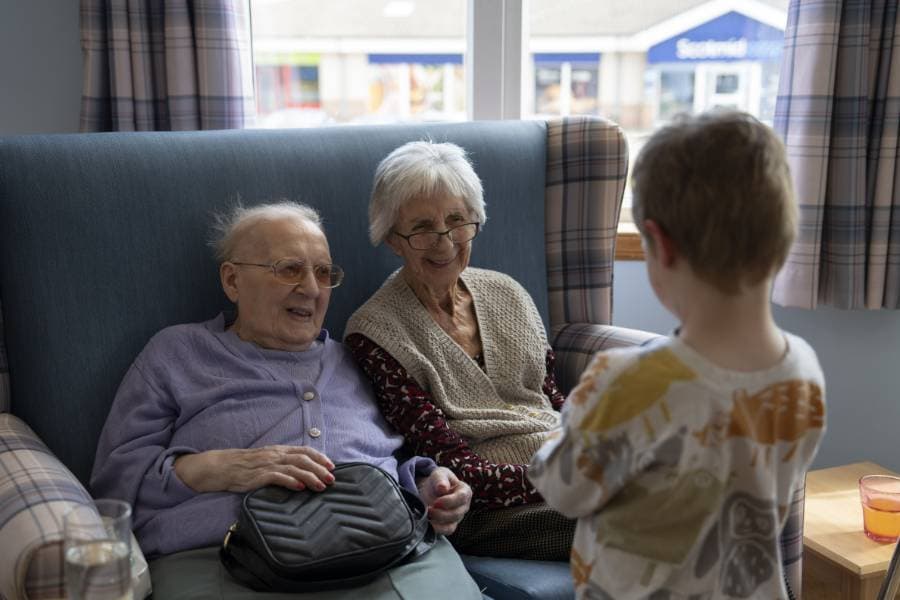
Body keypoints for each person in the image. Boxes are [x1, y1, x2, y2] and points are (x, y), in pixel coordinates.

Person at [90, 202, 481, 600]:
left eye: (324, 273)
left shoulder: (359, 355)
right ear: (232, 281)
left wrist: (427, 484)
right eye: (289, 269)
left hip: (386, 551)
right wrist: (217, 469)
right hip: (222, 558)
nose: (311, 289)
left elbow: (388, 457)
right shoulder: (177, 353)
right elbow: (114, 488)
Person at [528, 111, 827, 599]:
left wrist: (581, 409)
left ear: (660, 246)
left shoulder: (632, 382)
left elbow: (564, 489)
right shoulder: (804, 369)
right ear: (784, 237)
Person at [344, 140, 574, 560]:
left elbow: (550, 402)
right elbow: (455, 468)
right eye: (422, 228)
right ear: (393, 238)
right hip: (484, 508)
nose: (444, 241)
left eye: (456, 220)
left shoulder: (509, 293)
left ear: (475, 221)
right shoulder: (373, 333)